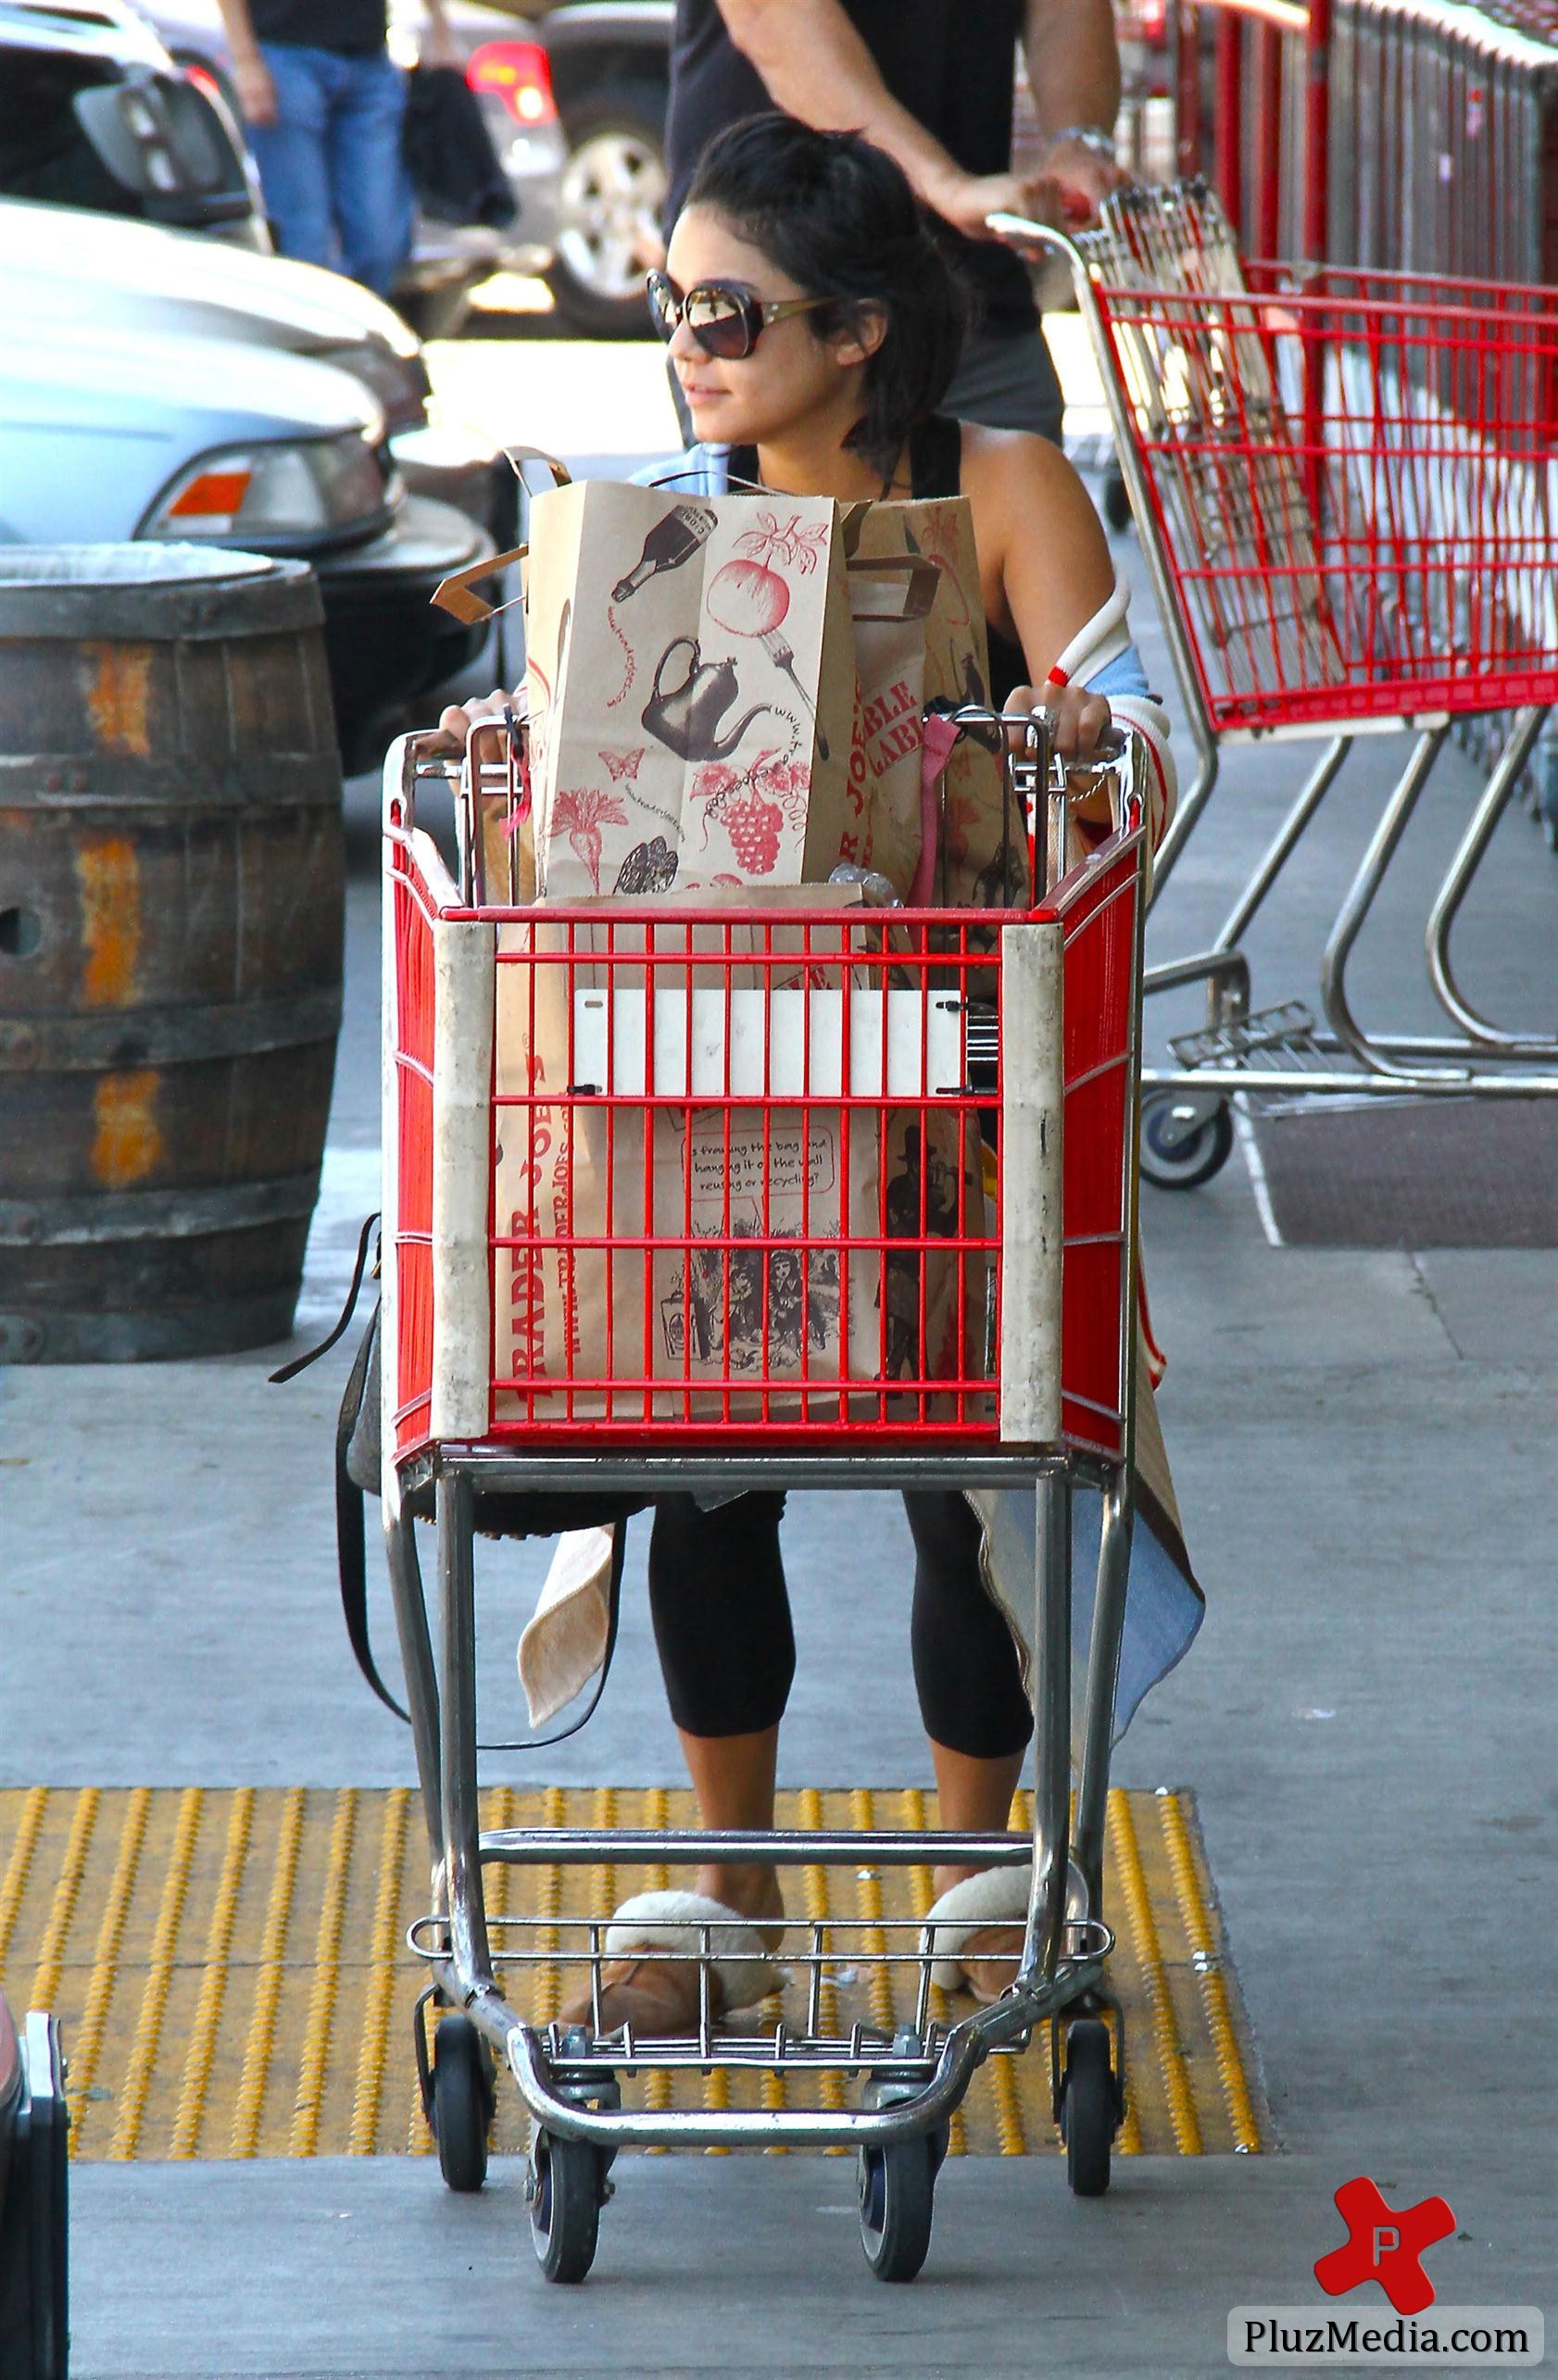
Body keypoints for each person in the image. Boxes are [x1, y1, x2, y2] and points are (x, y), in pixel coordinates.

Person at [438, 115, 1192, 2035]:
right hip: (722, 1071)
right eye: (670, 303)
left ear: (855, 330)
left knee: (970, 1473)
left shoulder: (1004, 487)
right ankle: (732, 1890)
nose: (687, 341)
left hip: (951, 1075)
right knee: (706, 1476)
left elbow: (1147, 757)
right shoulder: (655, 521)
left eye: (726, 305)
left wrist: (1080, 734)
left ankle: (973, 1878)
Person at [662, 0, 1131, 445]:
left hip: (970, 284)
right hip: (775, 283)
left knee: (1017, 493)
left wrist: (1078, 141)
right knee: (780, 524)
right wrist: (944, 185)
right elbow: (769, 16)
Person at [216, 0, 452, 297]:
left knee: (382, 243)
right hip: (283, 55)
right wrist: (246, 62)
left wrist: (442, 32)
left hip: (368, 57)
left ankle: (359, 330)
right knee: (304, 241)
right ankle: (313, 336)